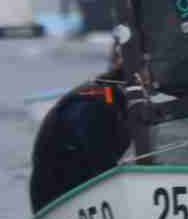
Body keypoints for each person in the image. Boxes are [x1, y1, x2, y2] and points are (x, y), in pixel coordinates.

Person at [28, 72, 134, 211]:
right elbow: (100, 156)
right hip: (56, 202)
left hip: (90, 191)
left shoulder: (113, 100)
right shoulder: (92, 103)